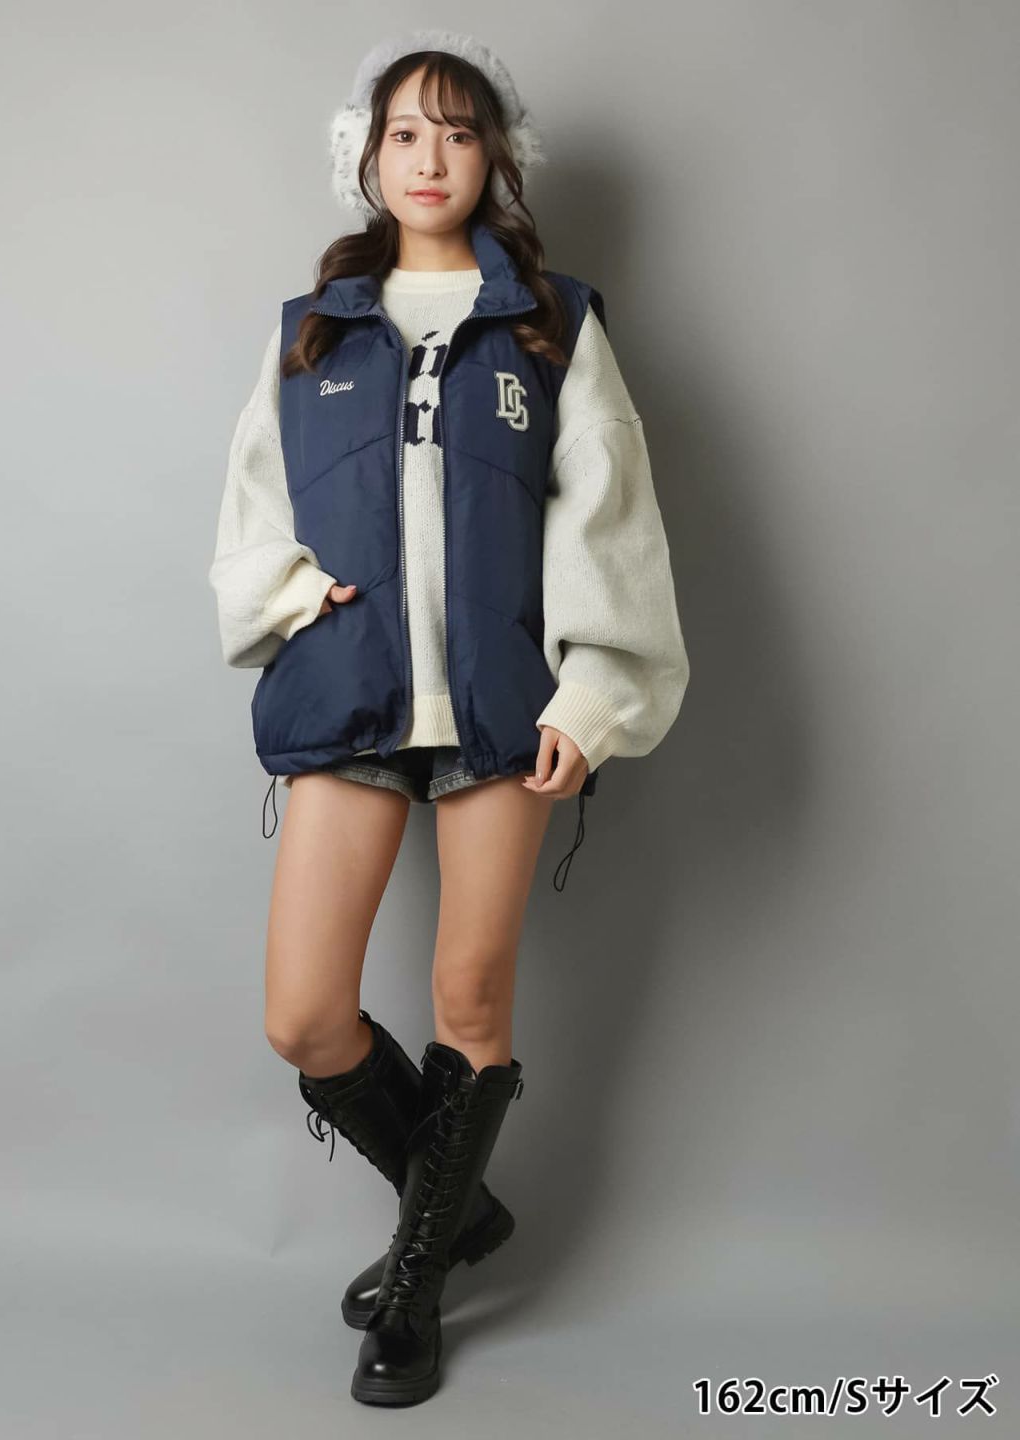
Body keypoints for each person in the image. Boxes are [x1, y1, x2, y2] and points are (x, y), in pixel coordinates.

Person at [207, 29, 689, 1407]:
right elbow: (250, 511)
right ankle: (460, 1208)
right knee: (306, 1014)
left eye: (459, 132)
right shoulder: (312, 332)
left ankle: (415, 1292)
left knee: (470, 999)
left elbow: (611, 521)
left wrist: (594, 694)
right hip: (352, 695)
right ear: (366, 156)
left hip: (501, 710)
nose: (431, 158)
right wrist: (292, 598)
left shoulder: (552, 325)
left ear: (497, 158)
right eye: (406, 133)